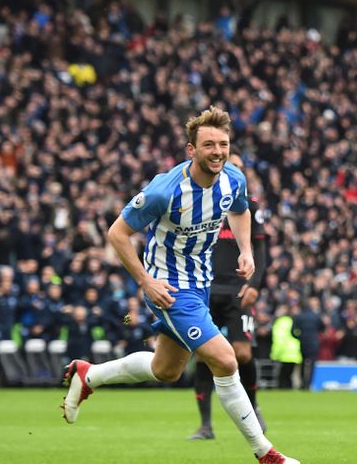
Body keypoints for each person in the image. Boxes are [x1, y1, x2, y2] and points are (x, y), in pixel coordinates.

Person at [60, 107, 298, 464]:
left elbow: (242, 210)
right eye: (208, 145)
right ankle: (266, 453)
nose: (217, 151)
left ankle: (89, 374)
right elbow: (117, 233)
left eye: (223, 144)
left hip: (201, 283)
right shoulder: (164, 190)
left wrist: (247, 250)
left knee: (166, 370)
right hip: (169, 287)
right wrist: (145, 281)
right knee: (225, 359)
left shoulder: (233, 178)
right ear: (191, 150)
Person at [190, 148, 268, 441]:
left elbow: (260, 248)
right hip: (205, 288)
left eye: (237, 166)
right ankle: (205, 425)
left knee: (242, 353)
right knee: (202, 356)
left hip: (238, 290)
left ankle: (254, 406)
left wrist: (255, 285)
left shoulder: (249, 205)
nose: (231, 170)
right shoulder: (201, 201)